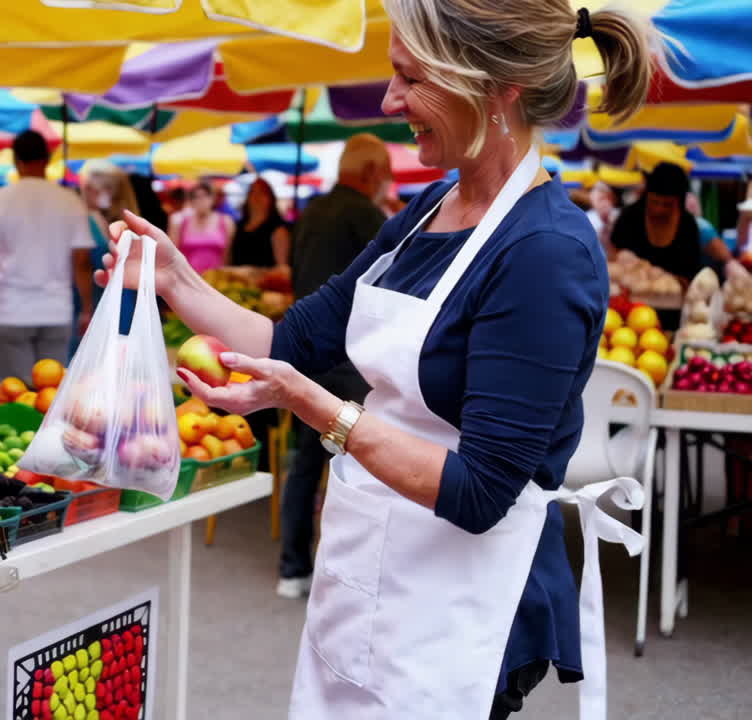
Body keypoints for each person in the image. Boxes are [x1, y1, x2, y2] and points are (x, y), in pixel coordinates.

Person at [98, 3, 653, 717]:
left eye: (410, 79)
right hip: (372, 579)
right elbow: (290, 342)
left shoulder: (545, 254)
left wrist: (319, 409)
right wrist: (176, 279)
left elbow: (480, 490)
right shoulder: (428, 210)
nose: (391, 102)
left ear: (495, 87)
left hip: (463, 605)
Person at [275, 132, 392, 599]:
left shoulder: (312, 212)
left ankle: (292, 568)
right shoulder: (366, 215)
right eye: (383, 174)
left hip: (306, 352)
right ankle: (350, 580)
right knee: (359, 468)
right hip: (350, 358)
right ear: (369, 173)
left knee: (305, 463)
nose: (385, 183)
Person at [0, 130, 94, 382]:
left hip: (10, 311)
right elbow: (82, 262)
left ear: (16, 161)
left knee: (15, 400)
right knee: (52, 397)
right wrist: (87, 310)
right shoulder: (70, 201)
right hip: (56, 310)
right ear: (47, 160)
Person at [610, 162, 749, 283]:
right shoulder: (629, 217)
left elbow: (690, 271)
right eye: (654, 202)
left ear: (679, 201)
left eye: (667, 204)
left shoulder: (688, 225)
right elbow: (614, 254)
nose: (659, 209)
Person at [70, 160, 140, 359]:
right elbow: (82, 262)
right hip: (108, 299)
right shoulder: (99, 219)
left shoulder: (92, 218)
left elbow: (82, 263)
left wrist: (85, 308)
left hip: (101, 301)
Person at [168, 182, 233, 274]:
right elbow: (172, 254)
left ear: (212, 198)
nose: (201, 200)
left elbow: (227, 255)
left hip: (215, 279)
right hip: (189, 277)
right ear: (191, 201)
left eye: (205, 196)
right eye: (196, 197)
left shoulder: (226, 221)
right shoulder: (181, 222)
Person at [230, 178, 291, 269]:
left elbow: (282, 269)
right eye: (252, 192)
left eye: (261, 193)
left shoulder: (278, 230)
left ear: (270, 199)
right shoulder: (237, 227)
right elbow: (228, 259)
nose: (256, 197)